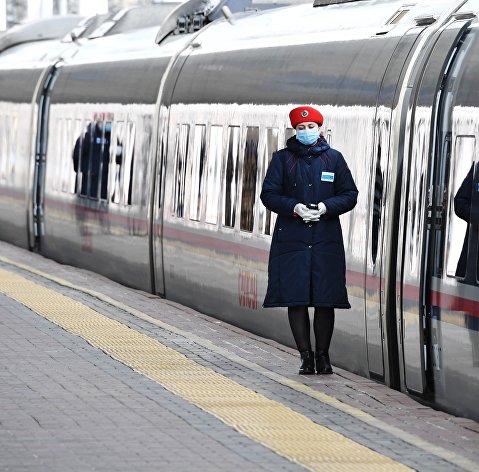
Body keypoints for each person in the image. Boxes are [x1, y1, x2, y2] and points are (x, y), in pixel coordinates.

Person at [260, 106, 358, 375]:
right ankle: (306, 356)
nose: (306, 132)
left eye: (311, 127)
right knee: (297, 298)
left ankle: (323, 357)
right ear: (294, 131)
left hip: (325, 240)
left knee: (325, 299)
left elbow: (350, 194)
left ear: (321, 129)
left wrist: (326, 207)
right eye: (301, 129)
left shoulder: (334, 159)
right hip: (292, 240)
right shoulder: (282, 160)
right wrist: (295, 207)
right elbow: (268, 194)